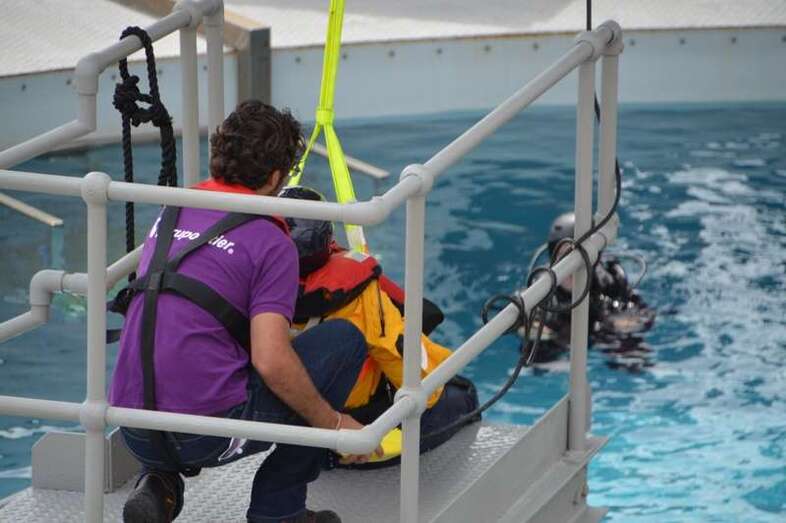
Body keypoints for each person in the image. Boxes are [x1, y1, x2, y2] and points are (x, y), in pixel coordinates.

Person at [108, 101, 379, 523]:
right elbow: (271, 362)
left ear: (218, 156)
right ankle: (279, 511)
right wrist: (335, 424)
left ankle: (158, 482)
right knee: (342, 342)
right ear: (275, 178)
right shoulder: (271, 242)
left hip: (131, 426)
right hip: (206, 436)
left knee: (180, 342)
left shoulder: (171, 210)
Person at [280, 186, 480, 466]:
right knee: (461, 394)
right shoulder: (356, 294)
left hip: (283, 424)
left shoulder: (249, 285)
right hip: (350, 433)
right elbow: (408, 368)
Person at [535, 212, 656, 350]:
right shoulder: (542, 288)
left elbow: (644, 314)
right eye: (563, 257)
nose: (571, 268)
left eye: (576, 257)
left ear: (593, 259)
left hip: (604, 329)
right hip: (559, 333)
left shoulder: (609, 281)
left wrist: (623, 323)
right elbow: (519, 315)